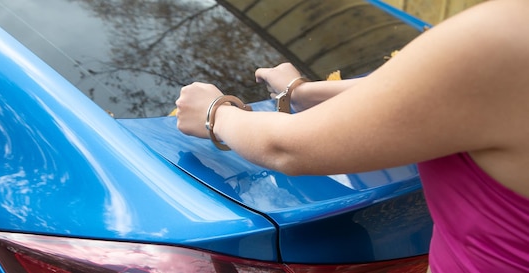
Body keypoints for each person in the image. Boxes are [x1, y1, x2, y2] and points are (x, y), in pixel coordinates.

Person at [175, 0, 529, 272]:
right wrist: (304, 92)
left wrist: (215, 113)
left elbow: (286, 147)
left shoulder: (502, 36)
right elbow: (423, 90)